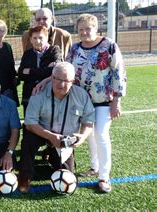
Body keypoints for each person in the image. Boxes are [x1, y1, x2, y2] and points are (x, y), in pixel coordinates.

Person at [67, 14, 127, 193]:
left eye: (88, 29)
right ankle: (94, 167)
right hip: (82, 101)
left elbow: (118, 72)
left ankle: (104, 177)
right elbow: (68, 70)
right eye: (81, 29)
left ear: (96, 28)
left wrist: (117, 100)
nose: (85, 32)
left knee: (100, 134)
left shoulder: (108, 45)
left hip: (104, 101)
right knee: (89, 135)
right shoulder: (74, 48)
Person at [18, 62, 94, 193]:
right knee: (28, 140)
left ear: (73, 81)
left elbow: (89, 121)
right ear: (52, 78)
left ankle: (52, 155)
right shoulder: (38, 93)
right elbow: (30, 124)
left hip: (65, 138)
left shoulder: (81, 95)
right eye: (58, 79)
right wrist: (51, 137)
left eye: (66, 81)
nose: (61, 84)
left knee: (67, 175)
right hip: (41, 132)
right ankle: (25, 176)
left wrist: (82, 137)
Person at [18, 25, 61, 115]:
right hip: (29, 95)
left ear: (46, 38)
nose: (37, 41)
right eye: (34, 38)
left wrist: (30, 71)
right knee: (29, 124)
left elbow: (54, 71)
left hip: (48, 93)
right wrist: (44, 70)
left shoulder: (54, 50)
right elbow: (21, 74)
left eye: (41, 38)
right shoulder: (27, 53)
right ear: (30, 39)